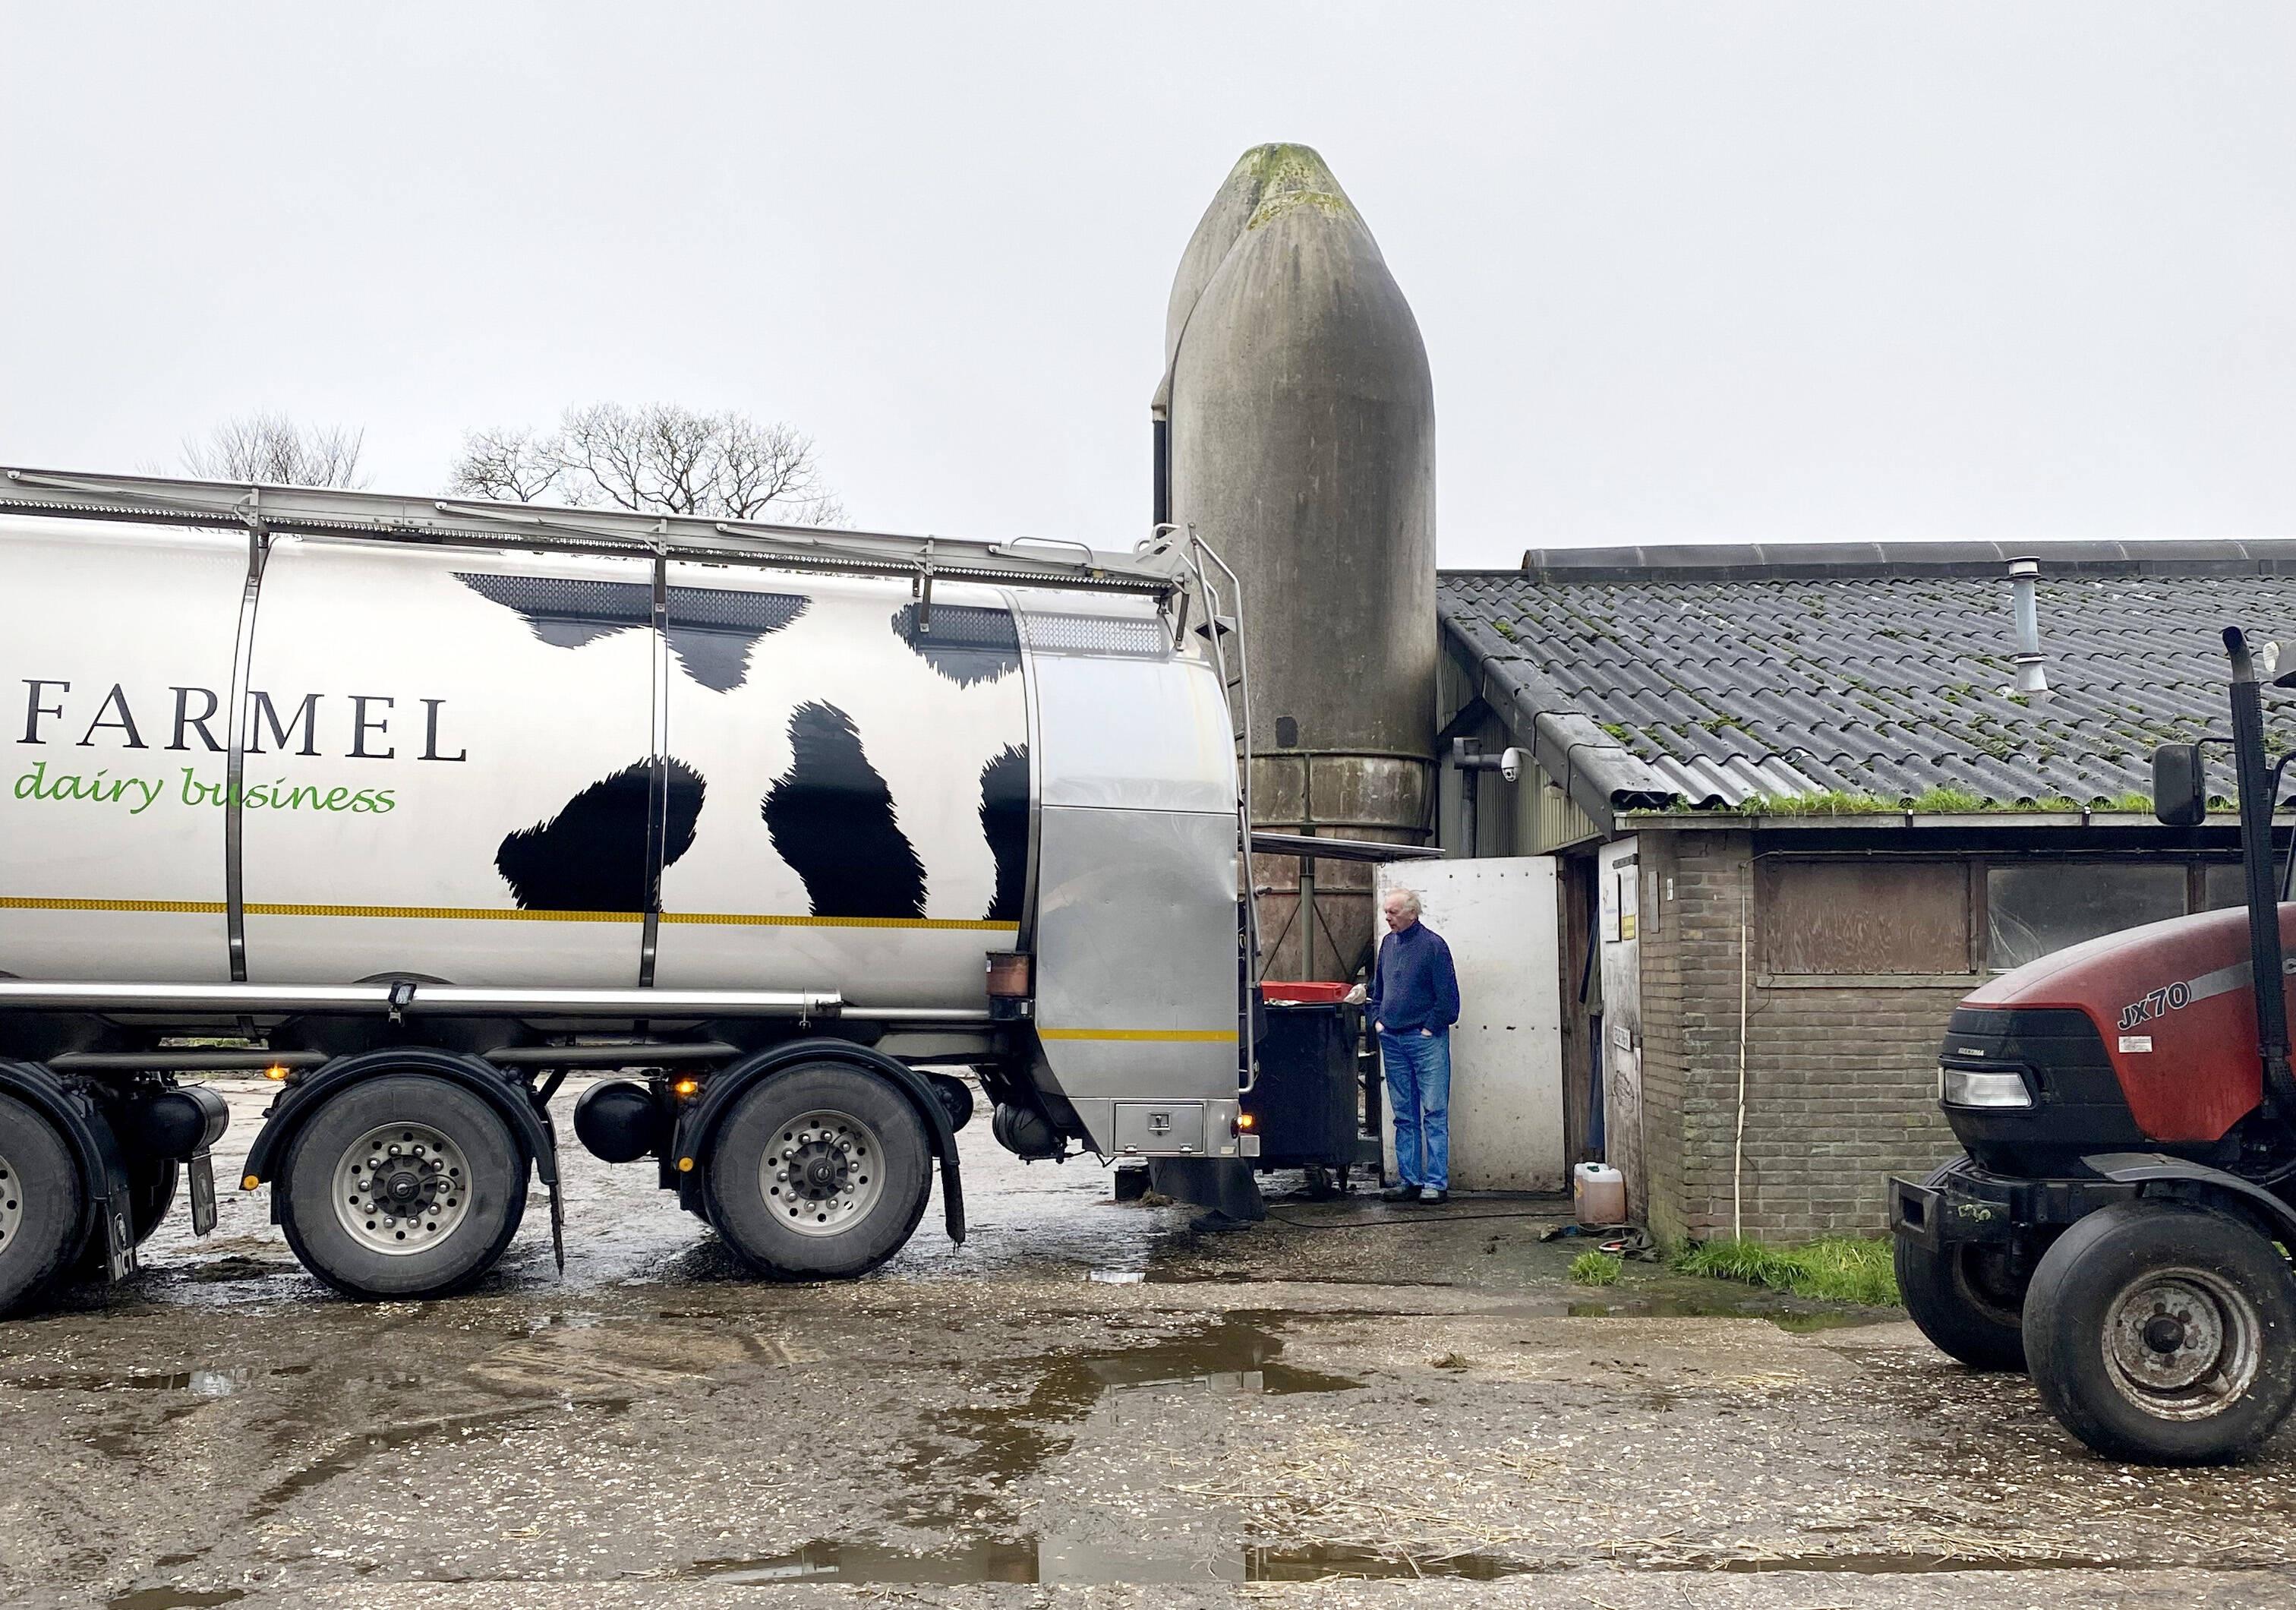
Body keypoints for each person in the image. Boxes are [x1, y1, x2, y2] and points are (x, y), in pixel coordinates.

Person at [1347, 887, 1460, 1204]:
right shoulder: (1388, 944)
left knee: (1434, 1112)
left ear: (1413, 913)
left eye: (1393, 912)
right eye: (1387, 912)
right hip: (1393, 1040)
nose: (1387, 918)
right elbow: (1378, 989)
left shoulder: (1434, 947)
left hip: (1425, 1041)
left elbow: (1449, 1001)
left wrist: (1427, 1029)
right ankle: (1410, 1180)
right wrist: (1378, 1020)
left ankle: (1436, 1183)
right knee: (1404, 1115)